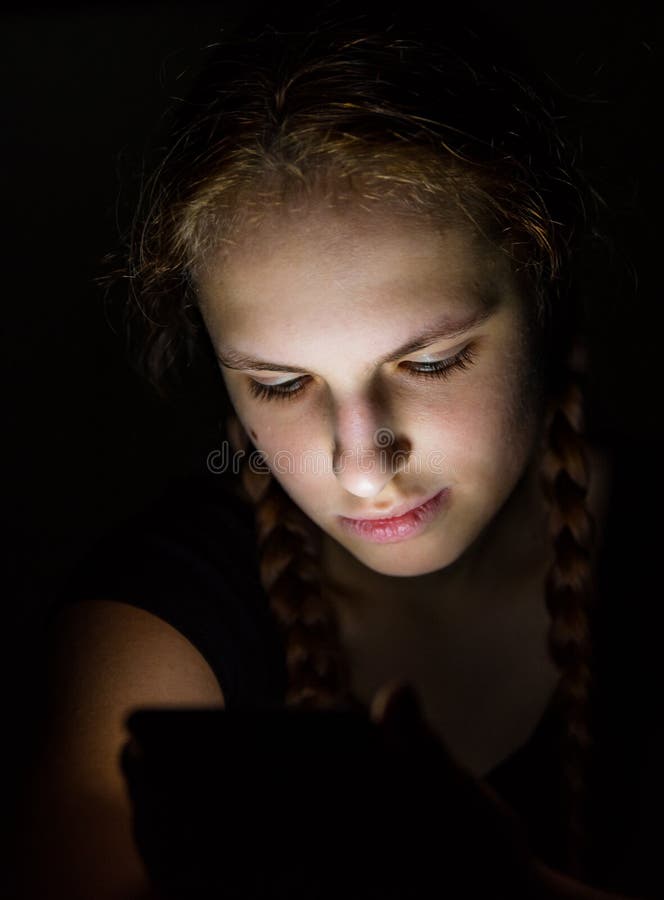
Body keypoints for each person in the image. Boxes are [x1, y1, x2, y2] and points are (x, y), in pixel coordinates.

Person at [12, 7, 661, 900]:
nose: (362, 467)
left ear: (543, 295)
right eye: (280, 385)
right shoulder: (149, 627)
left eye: (431, 362)